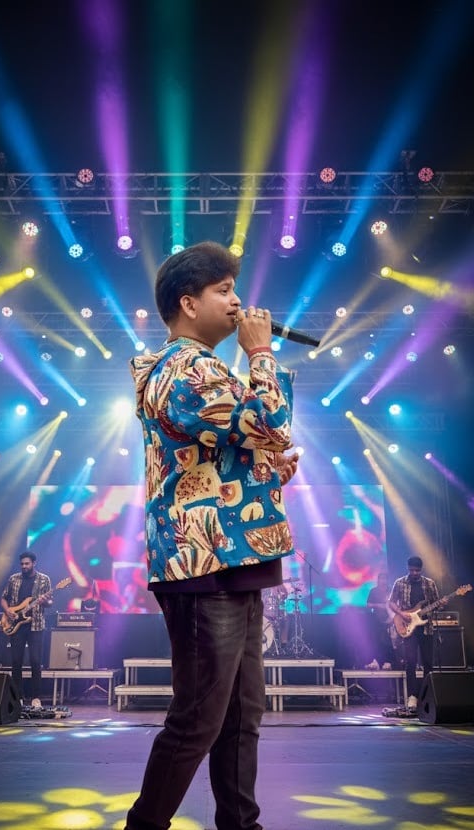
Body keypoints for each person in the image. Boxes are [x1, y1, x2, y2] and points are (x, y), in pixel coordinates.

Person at [126, 241, 299, 830]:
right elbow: (270, 422)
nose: (237, 301)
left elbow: (234, 449)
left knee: (241, 717)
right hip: (204, 563)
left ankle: (240, 825)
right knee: (199, 718)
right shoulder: (185, 367)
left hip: (232, 557)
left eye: (234, 288)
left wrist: (265, 472)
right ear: (188, 302)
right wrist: (262, 352)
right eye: (223, 290)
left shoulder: (203, 367)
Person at [388, 556, 444, 710]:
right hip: (408, 628)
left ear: (421, 569)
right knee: (411, 661)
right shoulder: (400, 583)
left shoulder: (429, 583)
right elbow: (391, 602)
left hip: (426, 627)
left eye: (417, 571)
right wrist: (401, 613)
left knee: (428, 663)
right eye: (412, 570)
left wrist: (441, 604)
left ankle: (427, 695)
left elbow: (437, 604)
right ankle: (412, 696)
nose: (414, 573)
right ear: (407, 568)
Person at [0, 551, 52, 708]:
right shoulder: (13, 579)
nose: (24, 566)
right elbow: (3, 598)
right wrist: (8, 611)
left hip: (36, 625)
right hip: (16, 625)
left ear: (34, 563)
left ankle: (36, 697)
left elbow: (50, 603)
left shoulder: (44, 579)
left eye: (27, 563)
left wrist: (44, 602)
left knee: (36, 661)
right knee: (16, 661)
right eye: (22, 564)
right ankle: (18, 697)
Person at [365, 572, 396, 670]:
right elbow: (368, 605)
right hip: (376, 621)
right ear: (378, 580)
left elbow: (397, 604)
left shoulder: (391, 591)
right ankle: (376, 661)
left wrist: (391, 618)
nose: (383, 581)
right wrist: (379, 605)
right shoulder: (373, 591)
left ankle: (388, 662)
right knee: (376, 641)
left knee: (388, 642)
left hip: (390, 620)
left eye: (385, 579)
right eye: (381, 579)